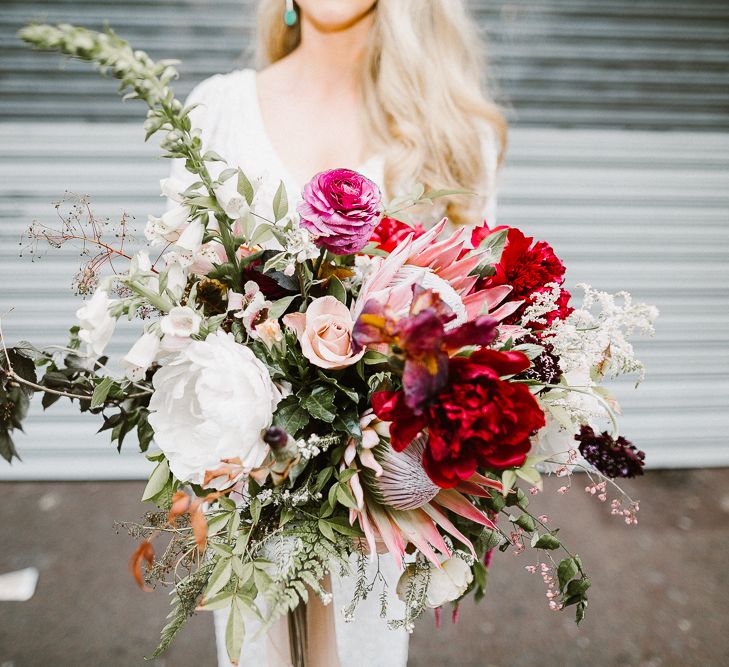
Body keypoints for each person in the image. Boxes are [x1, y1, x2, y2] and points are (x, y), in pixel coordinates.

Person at [167, 1, 506, 664]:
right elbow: (179, 310)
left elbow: (472, 326)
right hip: (246, 490)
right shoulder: (216, 110)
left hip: (381, 497)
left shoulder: (454, 133)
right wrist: (192, 466)